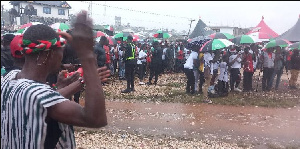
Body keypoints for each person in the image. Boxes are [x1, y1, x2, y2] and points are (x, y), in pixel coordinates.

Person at [1, 11, 108, 148]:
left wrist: (57, 90)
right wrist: (86, 55)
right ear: (50, 54)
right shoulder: (38, 94)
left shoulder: (8, 79)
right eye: (61, 50)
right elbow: (96, 119)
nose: (62, 56)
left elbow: (36, 101)